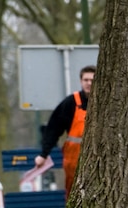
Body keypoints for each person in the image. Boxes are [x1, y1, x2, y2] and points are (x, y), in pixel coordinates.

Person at [36, 65, 94, 195]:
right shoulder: (71, 103)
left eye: (92, 80)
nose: (89, 83)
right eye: (86, 80)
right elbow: (53, 129)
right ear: (81, 81)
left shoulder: (106, 103)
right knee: (73, 192)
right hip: (74, 158)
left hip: (98, 158)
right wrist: (44, 154)